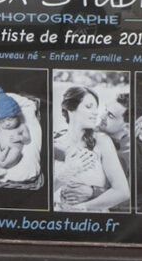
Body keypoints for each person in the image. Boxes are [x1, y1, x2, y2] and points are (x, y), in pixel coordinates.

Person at [53, 82, 132, 212]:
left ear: (127, 127)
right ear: (71, 108)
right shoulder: (56, 141)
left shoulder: (103, 142)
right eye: (89, 107)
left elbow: (123, 194)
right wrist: (67, 171)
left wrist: (85, 202)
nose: (97, 113)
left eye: (96, 107)